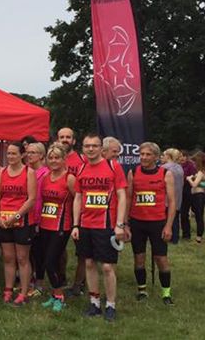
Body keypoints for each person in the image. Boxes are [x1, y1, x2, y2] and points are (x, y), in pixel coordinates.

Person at [71, 133, 127, 322]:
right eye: (87, 146)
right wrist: (75, 224)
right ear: (83, 148)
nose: (91, 149)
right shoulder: (81, 168)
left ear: (101, 149)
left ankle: (110, 305)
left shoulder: (113, 166)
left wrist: (120, 224)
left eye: (94, 146)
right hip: (86, 224)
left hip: (107, 225)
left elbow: (122, 196)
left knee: (107, 267)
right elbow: (78, 197)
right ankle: (94, 303)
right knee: (88, 263)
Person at [125, 142, 176, 305]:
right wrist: (125, 223)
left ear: (156, 157)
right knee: (139, 258)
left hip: (157, 223)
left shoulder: (165, 173)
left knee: (161, 258)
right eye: (141, 154)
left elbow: (172, 202)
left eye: (148, 154)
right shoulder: (133, 172)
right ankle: (142, 290)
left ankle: (166, 294)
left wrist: (168, 226)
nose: (144, 157)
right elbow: (128, 198)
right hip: (137, 222)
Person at [0, 142, 37, 306]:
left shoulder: (29, 172)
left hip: (22, 221)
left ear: (22, 155)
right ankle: (8, 289)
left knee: (22, 258)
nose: (10, 157)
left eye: (14, 153)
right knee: (8, 257)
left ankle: (24, 292)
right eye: (9, 154)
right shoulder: (1, 172)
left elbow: (31, 199)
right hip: (4, 220)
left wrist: (16, 216)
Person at [37, 144, 76, 312]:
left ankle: (59, 296)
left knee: (50, 262)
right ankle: (54, 294)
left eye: (57, 158)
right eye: (50, 158)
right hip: (45, 224)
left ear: (64, 159)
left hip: (61, 225)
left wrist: (76, 223)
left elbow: (78, 200)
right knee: (47, 260)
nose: (53, 161)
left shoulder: (69, 178)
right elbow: (41, 201)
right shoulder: (46, 177)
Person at [57, 127, 86, 296]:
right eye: (62, 137)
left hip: (79, 212)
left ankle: (79, 284)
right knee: (59, 249)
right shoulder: (53, 158)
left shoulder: (82, 160)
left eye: (68, 137)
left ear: (74, 141)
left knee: (82, 251)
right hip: (59, 213)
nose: (65, 140)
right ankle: (61, 280)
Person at [26, 142, 48, 297]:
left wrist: (39, 221)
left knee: (39, 253)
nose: (29, 155)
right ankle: (30, 281)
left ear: (41, 155)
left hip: (39, 218)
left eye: (33, 152)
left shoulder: (45, 173)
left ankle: (40, 283)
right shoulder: (26, 171)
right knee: (29, 253)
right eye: (28, 152)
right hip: (26, 217)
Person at [161, 148, 184, 243]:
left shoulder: (164, 168)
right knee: (175, 218)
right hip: (178, 196)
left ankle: (166, 236)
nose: (162, 157)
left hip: (167, 197)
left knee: (167, 218)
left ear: (168, 156)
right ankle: (175, 238)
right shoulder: (180, 168)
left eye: (164, 155)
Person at [185, 151, 205, 243]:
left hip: (198, 195)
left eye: (194, 161)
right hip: (199, 195)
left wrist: (189, 179)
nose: (193, 163)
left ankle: (199, 237)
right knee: (198, 215)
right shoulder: (201, 171)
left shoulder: (200, 172)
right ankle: (199, 236)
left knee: (199, 216)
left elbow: (194, 185)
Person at [180, 151, 197, 240]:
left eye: (184, 156)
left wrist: (185, 178)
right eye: (180, 156)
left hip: (189, 190)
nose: (182, 158)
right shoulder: (178, 165)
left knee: (188, 212)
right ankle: (185, 234)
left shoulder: (191, 165)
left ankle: (188, 234)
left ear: (187, 157)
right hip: (180, 190)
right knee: (182, 213)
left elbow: (194, 176)